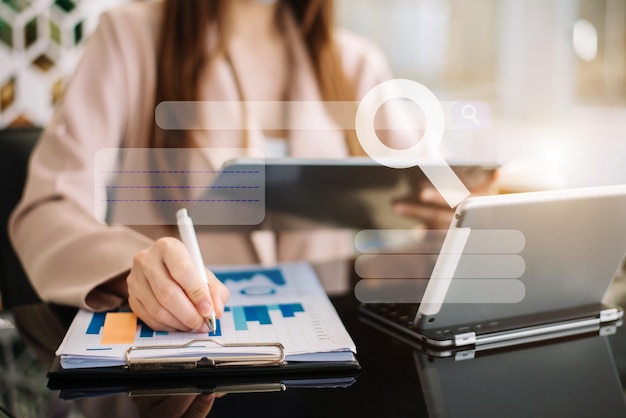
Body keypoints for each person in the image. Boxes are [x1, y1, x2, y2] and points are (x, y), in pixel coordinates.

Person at [9, 0, 495, 332]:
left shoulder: (354, 62)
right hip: (187, 355)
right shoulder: (129, 38)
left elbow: (438, 199)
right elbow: (46, 211)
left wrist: (451, 228)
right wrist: (126, 270)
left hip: (326, 362)